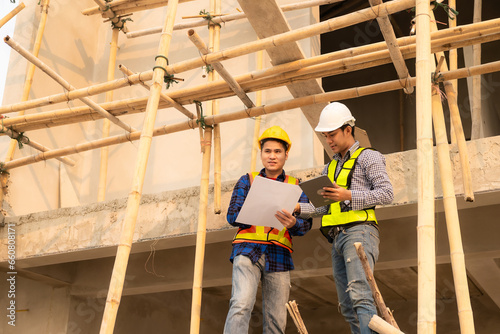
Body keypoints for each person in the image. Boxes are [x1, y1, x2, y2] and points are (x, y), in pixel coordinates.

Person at [296, 102, 394, 334]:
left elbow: (387, 194)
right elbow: (323, 208)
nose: (328, 140)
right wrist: (299, 209)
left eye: (332, 135)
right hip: (337, 239)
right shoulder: (329, 168)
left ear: (348, 129)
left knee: (361, 297)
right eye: (325, 136)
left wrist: (347, 194)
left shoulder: (368, 157)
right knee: (348, 305)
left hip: (360, 232)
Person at [224, 126, 312, 334]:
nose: (272, 156)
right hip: (247, 250)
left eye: (277, 151)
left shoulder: (295, 185)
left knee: (277, 318)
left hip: (279, 254)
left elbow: (307, 223)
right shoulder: (248, 180)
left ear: (286, 155)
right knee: (241, 304)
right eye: (268, 151)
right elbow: (231, 216)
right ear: (261, 154)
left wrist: (293, 224)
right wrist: (255, 210)